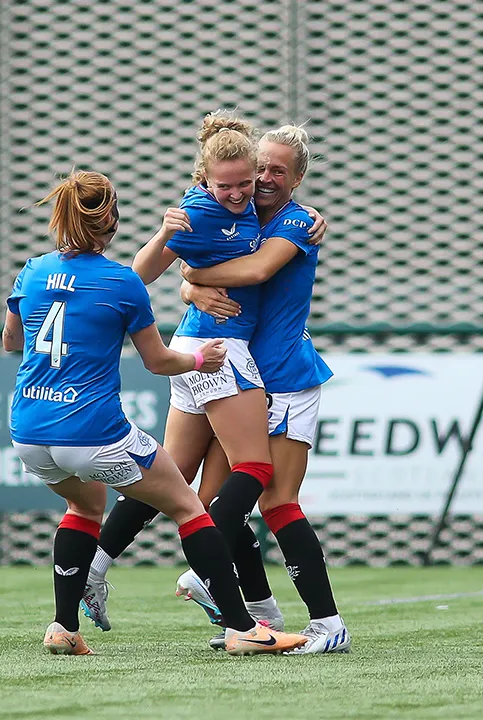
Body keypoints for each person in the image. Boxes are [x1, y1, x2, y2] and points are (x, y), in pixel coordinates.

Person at [3, 169, 307, 656]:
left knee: (82, 508)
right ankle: (244, 629)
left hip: (29, 430)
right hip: (92, 431)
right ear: (113, 223)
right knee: (190, 507)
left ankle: (63, 627)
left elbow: (11, 342)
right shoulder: (122, 282)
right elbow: (158, 361)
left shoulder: (32, 270)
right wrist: (199, 360)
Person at [84, 125, 351, 655]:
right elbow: (157, 267)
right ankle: (256, 610)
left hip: (285, 378)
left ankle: (321, 621)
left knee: (263, 498)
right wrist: (188, 280)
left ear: (298, 179)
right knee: (196, 487)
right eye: (262, 169)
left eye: (278, 171)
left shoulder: (296, 221)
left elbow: (254, 270)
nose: (265, 179)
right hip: (230, 361)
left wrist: (193, 277)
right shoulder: (229, 209)